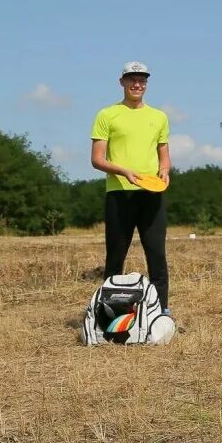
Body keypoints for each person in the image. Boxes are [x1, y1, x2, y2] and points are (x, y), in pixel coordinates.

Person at [90, 61, 172, 315]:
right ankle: (108, 311)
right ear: (122, 82)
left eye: (142, 80)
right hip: (119, 194)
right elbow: (97, 159)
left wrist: (165, 170)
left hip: (151, 194)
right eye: (132, 79)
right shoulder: (107, 115)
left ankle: (161, 310)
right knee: (116, 255)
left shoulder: (159, 117)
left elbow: (164, 155)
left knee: (156, 254)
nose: (137, 84)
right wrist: (124, 172)